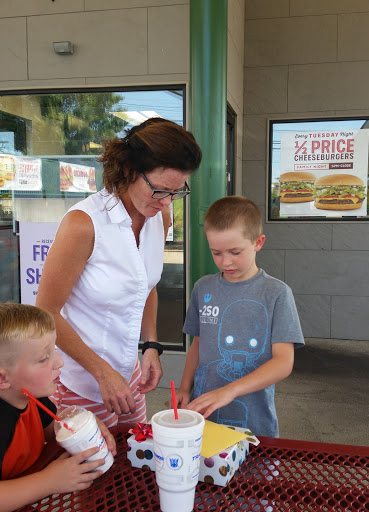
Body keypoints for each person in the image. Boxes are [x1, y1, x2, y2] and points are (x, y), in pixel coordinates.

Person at [36, 118, 202, 429]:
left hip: (129, 377)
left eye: (176, 192)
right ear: (127, 169)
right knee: (90, 471)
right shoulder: (84, 224)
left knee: (135, 462)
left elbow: (146, 284)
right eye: (159, 190)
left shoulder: (159, 216)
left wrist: (151, 344)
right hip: (82, 381)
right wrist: (101, 371)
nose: (167, 202)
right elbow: (46, 312)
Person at [174, 196, 304, 437]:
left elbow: (283, 362)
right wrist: (184, 387)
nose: (226, 262)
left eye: (235, 252)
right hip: (203, 417)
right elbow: (198, 343)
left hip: (254, 423)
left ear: (258, 242)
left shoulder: (277, 293)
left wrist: (230, 390)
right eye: (216, 253)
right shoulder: (203, 288)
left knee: (252, 474)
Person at [0, 303, 117, 512]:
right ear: (2, 377)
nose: (60, 362)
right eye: (44, 358)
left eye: (54, 350)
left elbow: (51, 430)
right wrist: (48, 482)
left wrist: (81, 431)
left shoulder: (33, 398)